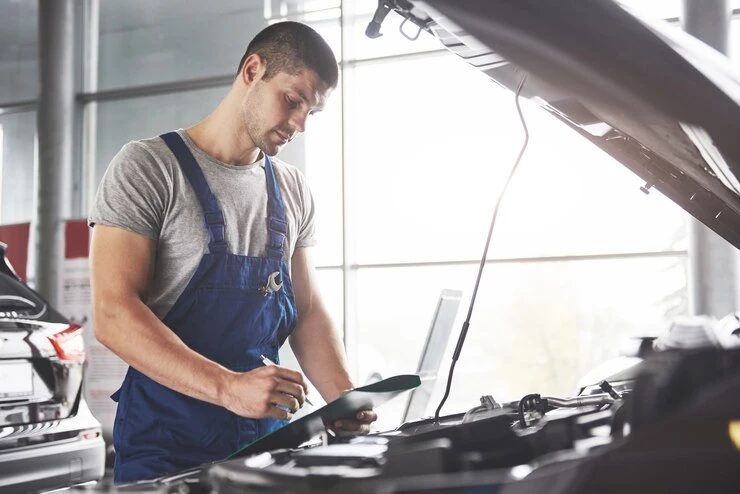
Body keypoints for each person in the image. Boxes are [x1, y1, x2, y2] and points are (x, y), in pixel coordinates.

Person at [88, 21, 376, 483]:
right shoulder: (148, 168)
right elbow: (113, 314)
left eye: (312, 113)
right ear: (252, 70)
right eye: (293, 99)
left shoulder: (291, 189)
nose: (300, 124)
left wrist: (344, 400)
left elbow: (307, 312)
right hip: (166, 451)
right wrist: (228, 389)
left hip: (266, 445)